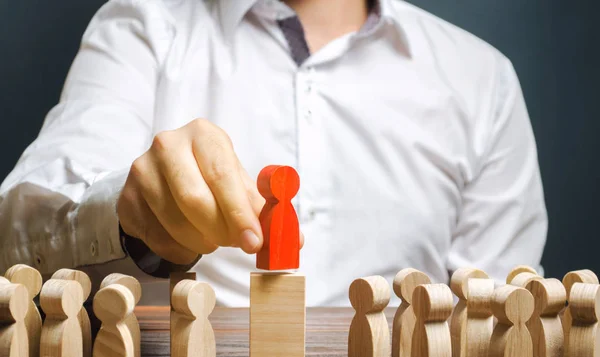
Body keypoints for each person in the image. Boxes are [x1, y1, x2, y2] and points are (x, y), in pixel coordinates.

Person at [0, 0, 547, 306]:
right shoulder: (141, 26)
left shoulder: (482, 79)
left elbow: (498, 316)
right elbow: (13, 244)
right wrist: (127, 217)